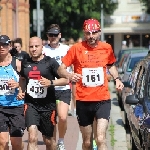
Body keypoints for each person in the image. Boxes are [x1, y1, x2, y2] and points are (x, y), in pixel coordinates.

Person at [57, 19, 124, 150]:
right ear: (84, 33)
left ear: (99, 32)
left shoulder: (106, 48)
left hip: (102, 99)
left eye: (94, 33)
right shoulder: (76, 49)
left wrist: (117, 79)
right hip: (83, 100)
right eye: (88, 33)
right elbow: (61, 69)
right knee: (87, 142)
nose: (91, 36)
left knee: (100, 138)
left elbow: (111, 66)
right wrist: (69, 75)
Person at [17, 36, 69, 150]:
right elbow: (22, 79)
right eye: (31, 47)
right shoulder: (25, 63)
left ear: (42, 47)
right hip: (31, 105)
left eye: (36, 46)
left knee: (49, 141)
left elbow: (66, 79)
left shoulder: (50, 62)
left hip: (48, 107)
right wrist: (21, 91)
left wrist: (50, 82)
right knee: (32, 137)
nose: (34, 49)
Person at [42, 24, 72, 150]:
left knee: (63, 117)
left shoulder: (67, 49)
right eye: (50, 35)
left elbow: (74, 65)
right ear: (47, 36)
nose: (53, 37)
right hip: (48, 89)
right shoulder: (43, 50)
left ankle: (61, 140)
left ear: (60, 35)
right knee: (51, 120)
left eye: (55, 35)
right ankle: (53, 144)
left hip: (63, 88)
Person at [0, 35, 25, 150]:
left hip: (16, 107)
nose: (2, 47)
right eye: (0, 44)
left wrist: (19, 86)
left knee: (16, 144)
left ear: (9, 46)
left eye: (5, 44)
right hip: (1, 107)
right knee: (3, 141)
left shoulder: (18, 64)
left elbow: (26, 81)